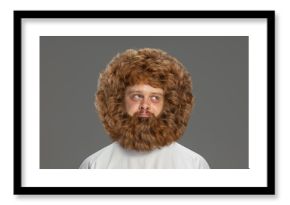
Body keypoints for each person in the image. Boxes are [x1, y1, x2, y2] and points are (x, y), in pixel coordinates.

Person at [79, 48, 210, 169]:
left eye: (155, 97)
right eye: (137, 96)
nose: (145, 105)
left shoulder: (193, 165)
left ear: (169, 104)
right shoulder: (95, 165)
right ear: (118, 100)